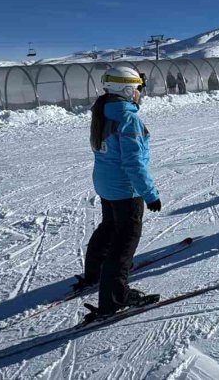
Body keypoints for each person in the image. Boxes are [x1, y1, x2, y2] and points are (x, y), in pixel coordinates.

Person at [78, 67, 162, 322]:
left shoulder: (103, 111)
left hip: (107, 185)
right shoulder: (128, 118)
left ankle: (95, 273)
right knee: (125, 243)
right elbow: (134, 163)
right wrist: (150, 194)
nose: (139, 93)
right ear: (126, 89)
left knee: (109, 227)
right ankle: (115, 299)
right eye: (137, 88)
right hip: (125, 189)